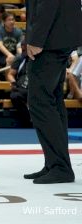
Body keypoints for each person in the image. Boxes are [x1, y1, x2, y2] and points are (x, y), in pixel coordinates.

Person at [24, 0, 82, 184]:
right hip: (59, 36)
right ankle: (55, 163)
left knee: (40, 101)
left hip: (51, 38)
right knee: (53, 101)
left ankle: (60, 166)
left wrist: (36, 38)